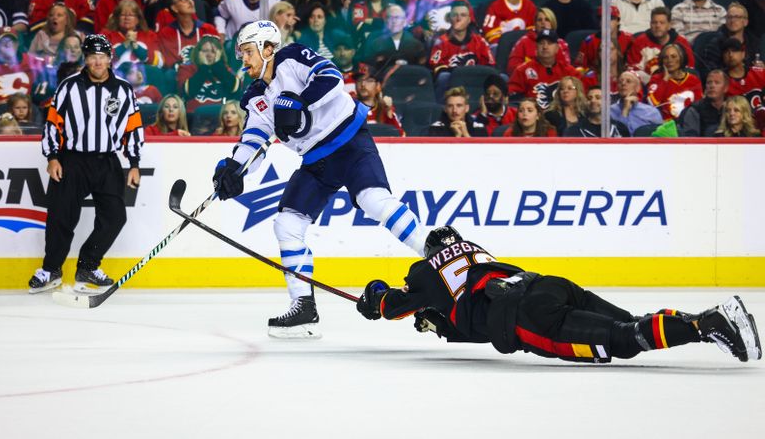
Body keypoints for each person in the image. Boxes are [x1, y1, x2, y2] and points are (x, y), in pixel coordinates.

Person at [212, 20, 426, 338]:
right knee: (286, 223)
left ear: (268, 48)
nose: (243, 60)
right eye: (241, 53)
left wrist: (299, 101)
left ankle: (436, 254)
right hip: (317, 162)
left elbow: (331, 77)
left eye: (247, 51)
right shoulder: (256, 94)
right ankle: (303, 307)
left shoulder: (293, 57)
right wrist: (235, 168)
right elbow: (256, 137)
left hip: (350, 143)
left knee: (374, 201)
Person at [356, 226, 762, 364]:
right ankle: (708, 318)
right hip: (548, 284)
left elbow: (391, 306)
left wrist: (373, 296)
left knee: (622, 341)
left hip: (526, 316)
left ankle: (706, 326)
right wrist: (444, 323)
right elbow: (471, 312)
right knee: (632, 321)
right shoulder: (477, 252)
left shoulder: (425, 269)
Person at [30, 34, 144, 294]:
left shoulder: (123, 89)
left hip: (107, 162)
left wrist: (134, 162)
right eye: (92, 56)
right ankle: (51, 269)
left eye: (102, 56)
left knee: (115, 216)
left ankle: (88, 266)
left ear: (109, 59)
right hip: (72, 161)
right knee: (61, 217)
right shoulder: (68, 87)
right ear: (86, 58)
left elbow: (133, 126)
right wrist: (53, 157)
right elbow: (53, 124)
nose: (97, 61)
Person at [508, 29, 580, 110]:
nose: (545, 47)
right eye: (541, 43)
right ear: (536, 47)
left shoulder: (569, 72)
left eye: (549, 43)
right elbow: (513, 99)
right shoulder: (522, 70)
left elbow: (580, 97)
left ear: (557, 48)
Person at [627, 7, 696, 84]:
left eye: (662, 22)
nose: (657, 26)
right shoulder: (640, 42)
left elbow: (690, 69)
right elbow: (632, 71)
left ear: (669, 25)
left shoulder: (681, 43)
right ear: (650, 24)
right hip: (648, 86)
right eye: (654, 22)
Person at [358, 3, 426, 69]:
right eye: (390, 18)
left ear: (405, 22)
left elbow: (420, 67)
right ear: (385, 21)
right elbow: (367, 64)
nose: (394, 21)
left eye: (398, 18)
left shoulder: (415, 43)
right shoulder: (374, 41)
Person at [507, 7, 572, 76]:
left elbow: (566, 69)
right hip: (529, 79)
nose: (543, 22)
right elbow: (512, 67)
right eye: (539, 20)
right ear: (535, 24)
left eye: (547, 20)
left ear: (553, 23)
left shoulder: (561, 43)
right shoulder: (523, 41)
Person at [702, 2, 760, 72]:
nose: (732, 20)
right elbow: (711, 72)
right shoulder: (715, 44)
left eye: (737, 17)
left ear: (745, 22)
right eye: (729, 17)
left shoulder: (753, 43)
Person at [355, 65, 404, 135]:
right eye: (359, 81)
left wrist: (389, 113)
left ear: (378, 86)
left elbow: (400, 135)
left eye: (369, 81)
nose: (363, 84)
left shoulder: (385, 108)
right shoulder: (349, 107)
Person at [678, 69, 730, 136]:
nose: (712, 86)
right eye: (709, 83)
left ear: (726, 88)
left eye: (717, 83)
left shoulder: (732, 108)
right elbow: (690, 140)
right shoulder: (695, 110)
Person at [564, 85, 630, 137]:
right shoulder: (574, 131)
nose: (593, 101)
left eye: (598, 97)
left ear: (608, 101)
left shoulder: (620, 129)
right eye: (589, 98)